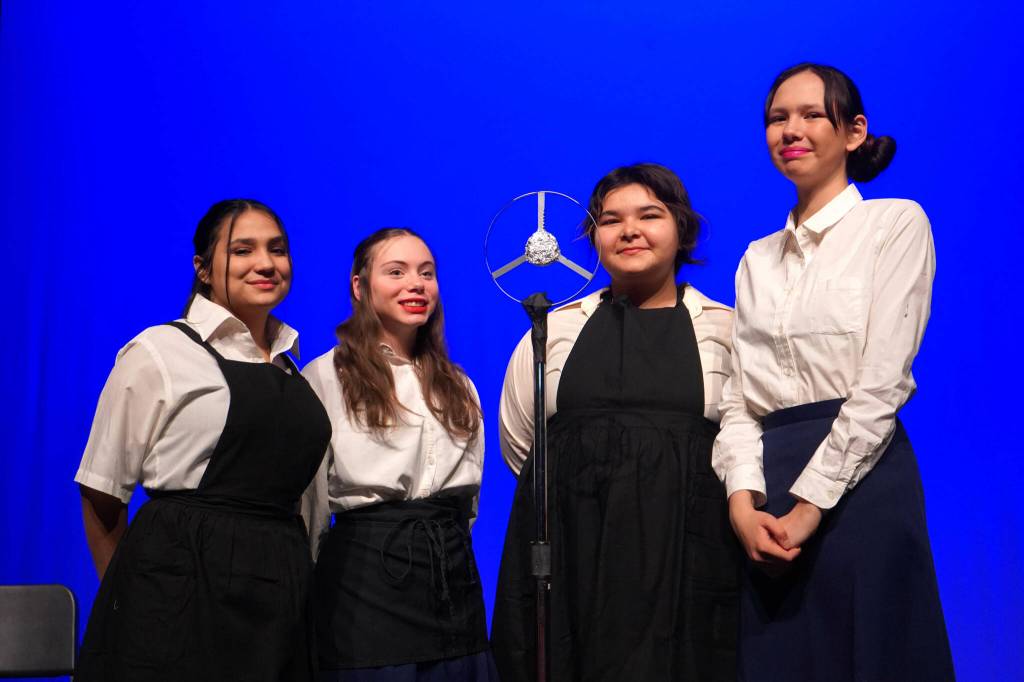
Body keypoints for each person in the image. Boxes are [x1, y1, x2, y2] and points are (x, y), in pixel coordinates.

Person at [713, 62, 955, 681]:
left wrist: (811, 505)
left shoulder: (894, 224)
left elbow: (882, 384)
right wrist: (742, 503)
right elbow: (741, 400)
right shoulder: (756, 259)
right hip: (768, 495)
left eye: (810, 114)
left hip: (861, 480)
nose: (790, 130)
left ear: (853, 131)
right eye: (776, 118)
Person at [492, 163, 740, 681]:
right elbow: (525, 449)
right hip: (572, 560)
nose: (630, 230)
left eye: (650, 215)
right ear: (593, 236)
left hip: (687, 563)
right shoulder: (552, 332)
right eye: (610, 220)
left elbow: (742, 443)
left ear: (682, 229)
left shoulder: (724, 330)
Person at [75, 199, 331, 682]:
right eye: (242, 250)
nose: (265, 263)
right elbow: (101, 490)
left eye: (277, 249)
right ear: (203, 269)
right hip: (179, 592)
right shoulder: (159, 351)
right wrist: (129, 601)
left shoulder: (294, 367)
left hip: (279, 594)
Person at [302, 228, 497, 681]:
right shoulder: (326, 377)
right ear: (359, 285)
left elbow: (467, 506)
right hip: (366, 582)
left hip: (451, 580)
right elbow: (308, 503)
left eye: (426, 273)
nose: (416, 284)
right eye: (396, 272)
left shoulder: (458, 384)